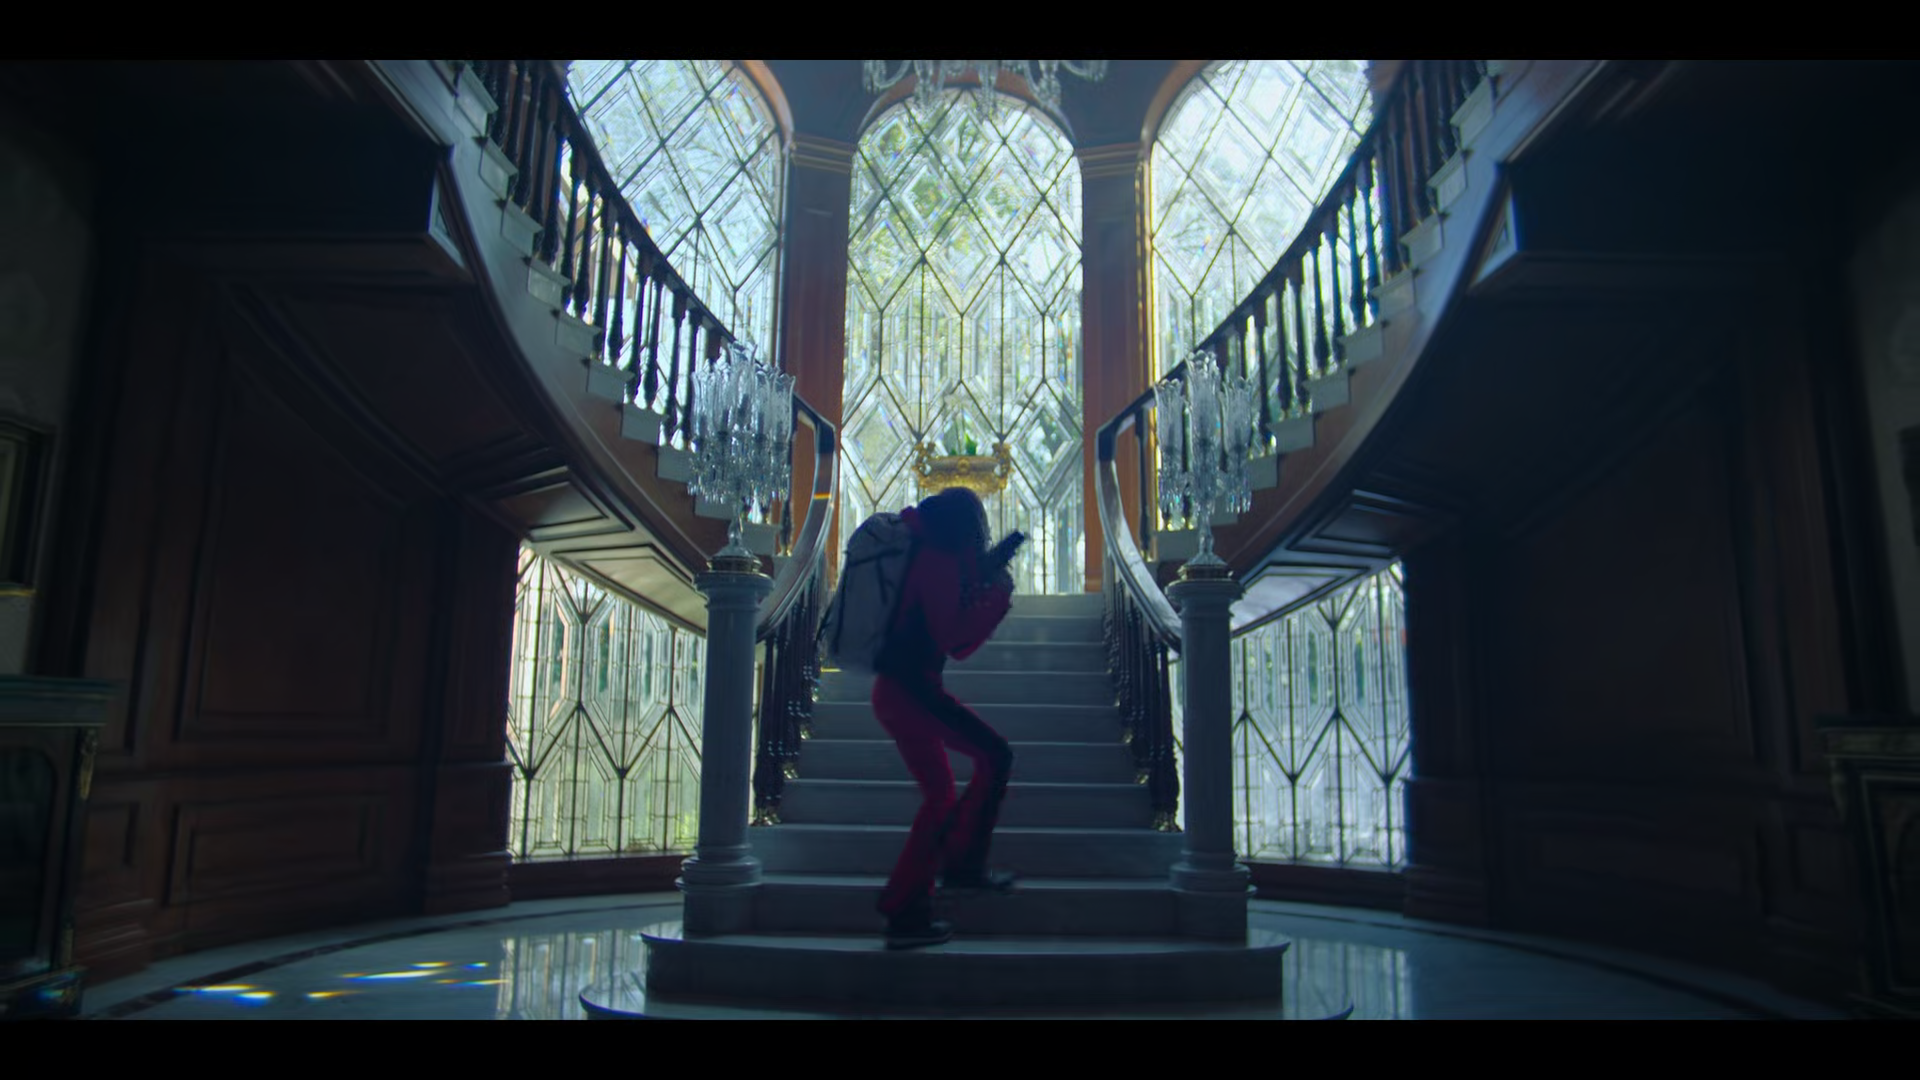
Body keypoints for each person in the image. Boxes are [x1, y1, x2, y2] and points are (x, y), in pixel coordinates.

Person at [871, 486, 1025, 949]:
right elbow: (955, 641)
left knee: (942, 795)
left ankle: (908, 905)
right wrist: (996, 598)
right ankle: (956, 872)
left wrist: (987, 575)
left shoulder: (925, 552)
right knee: (995, 757)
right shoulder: (936, 560)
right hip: (911, 692)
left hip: (903, 691)